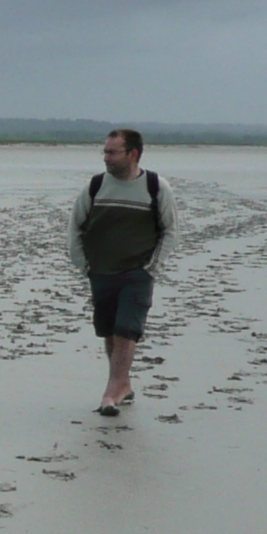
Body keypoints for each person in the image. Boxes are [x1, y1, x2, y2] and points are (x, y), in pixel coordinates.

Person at [68, 127, 179, 417]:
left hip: (137, 273)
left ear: (133, 154)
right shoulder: (95, 187)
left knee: (126, 329)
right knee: (108, 330)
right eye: (105, 151)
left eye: (113, 152)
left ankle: (112, 391)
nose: (106, 158)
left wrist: (152, 269)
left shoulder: (156, 187)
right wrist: (85, 265)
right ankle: (124, 384)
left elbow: (170, 231)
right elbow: (75, 227)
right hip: (101, 271)